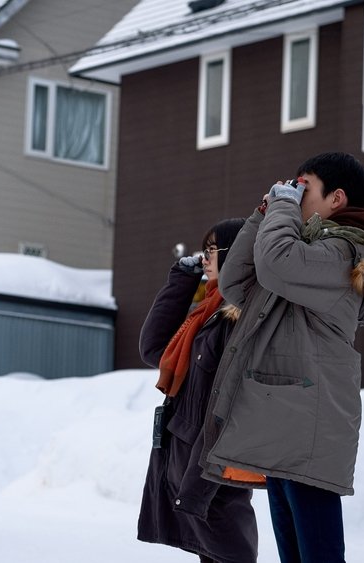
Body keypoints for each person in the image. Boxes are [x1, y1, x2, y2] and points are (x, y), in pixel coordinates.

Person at [200, 152, 364, 563]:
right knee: (296, 554)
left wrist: (281, 207)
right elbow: (236, 283)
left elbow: (276, 263)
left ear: (336, 198)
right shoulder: (306, 253)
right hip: (287, 420)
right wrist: (263, 214)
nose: (293, 196)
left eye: (303, 188)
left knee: (318, 554)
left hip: (309, 425)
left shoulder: (344, 253)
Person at [137, 218, 261, 563]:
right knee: (212, 551)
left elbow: (231, 405)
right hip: (186, 454)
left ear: (235, 254)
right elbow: (154, 348)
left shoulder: (238, 315)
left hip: (212, 461)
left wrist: (201, 472)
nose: (204, 258)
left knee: (231, 550)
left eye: (211, 250)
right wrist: (182, 279)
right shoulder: (208, 311)